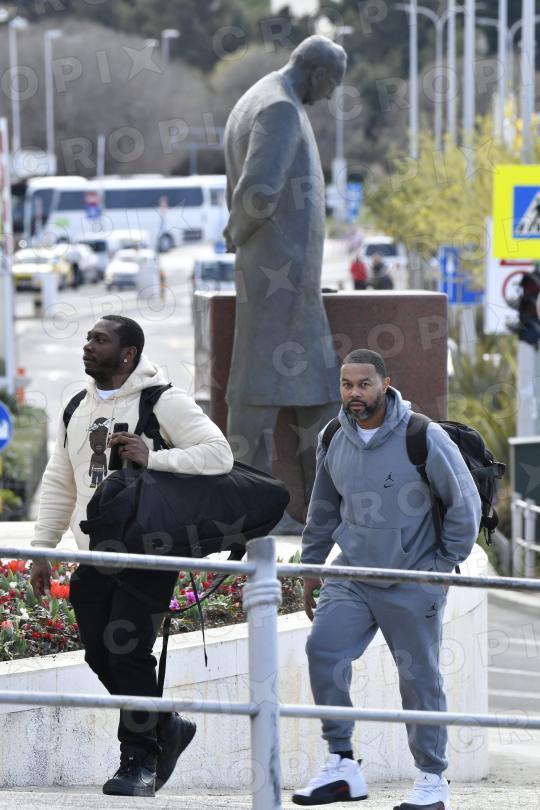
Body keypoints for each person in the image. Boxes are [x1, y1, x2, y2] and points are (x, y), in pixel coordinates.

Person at [30, 315, 234, 798]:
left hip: (148, 554)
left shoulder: (163, 401)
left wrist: (153, 456)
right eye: (88, 338)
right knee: (99, 654)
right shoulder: (77, 405)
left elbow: (219, 453)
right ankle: (167, 725)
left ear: (128, 354)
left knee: (128, 652)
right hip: (94, 555)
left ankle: (139, 760)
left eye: (100, 340)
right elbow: (61, 479)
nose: (88, 345)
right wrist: (41, 549)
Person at [292, 348, 481, 808]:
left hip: (412, 577)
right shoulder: (333, 434)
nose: (354, 393)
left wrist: (441, 566)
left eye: (364, 384)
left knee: (419, 678)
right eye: (347, 385)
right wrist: (311, 566)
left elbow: (465, 505)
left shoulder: (423, 435)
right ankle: (342, 766)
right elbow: (323, 506)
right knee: (323, 651)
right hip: (353, 575)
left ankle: (432, 780)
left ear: (385, 384)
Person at [222, 35, 346, 515]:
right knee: (260, 393)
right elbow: (258, 190)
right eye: (331, 85)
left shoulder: (258, 97)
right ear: (318, 74)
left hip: (289, 281)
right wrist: (235, 233)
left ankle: (307, 510)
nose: (330, 95)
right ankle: (254, 513)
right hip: (279, 282)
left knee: (315, 395)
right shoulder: (280, 108)